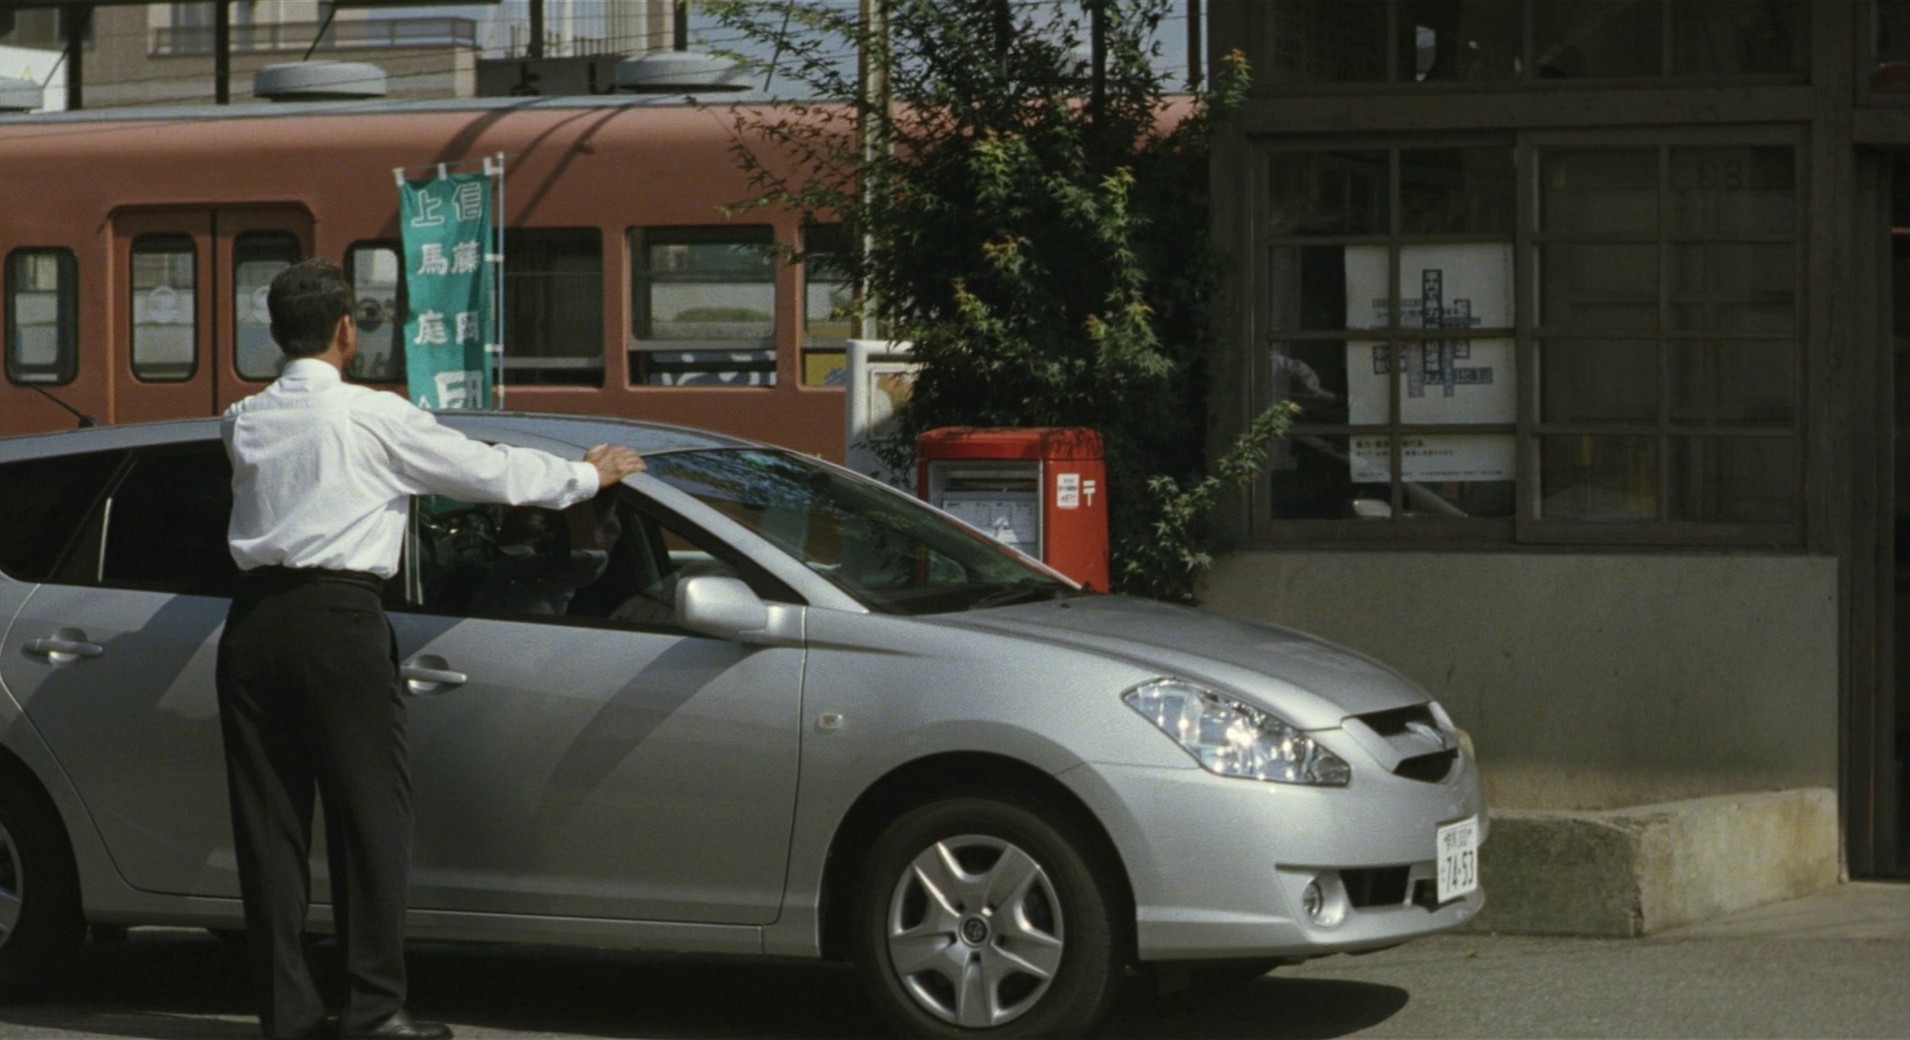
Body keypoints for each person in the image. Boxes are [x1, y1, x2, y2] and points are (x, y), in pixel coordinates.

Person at [215, 258, 645, 1040]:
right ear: (347, 331)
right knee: (371, 817)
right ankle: (373, 1010)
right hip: (338, 622)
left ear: (275, 335)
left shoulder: (242, 418)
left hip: (251, 628)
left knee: (268, 828)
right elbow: (488, 472)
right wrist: (584, 477)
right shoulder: (373, 415)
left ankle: (288, 1017)